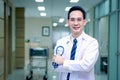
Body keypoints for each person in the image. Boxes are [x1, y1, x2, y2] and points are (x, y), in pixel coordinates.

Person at [52, 6, 99, 80]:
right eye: (72, 20)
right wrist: (79, 63)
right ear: (68, 22)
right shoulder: (61, 42)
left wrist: (63, 62)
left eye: (79, 20)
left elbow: (86, 66)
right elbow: (55, 66)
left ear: (84, 22)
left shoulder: (92, 43)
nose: (76, 23)